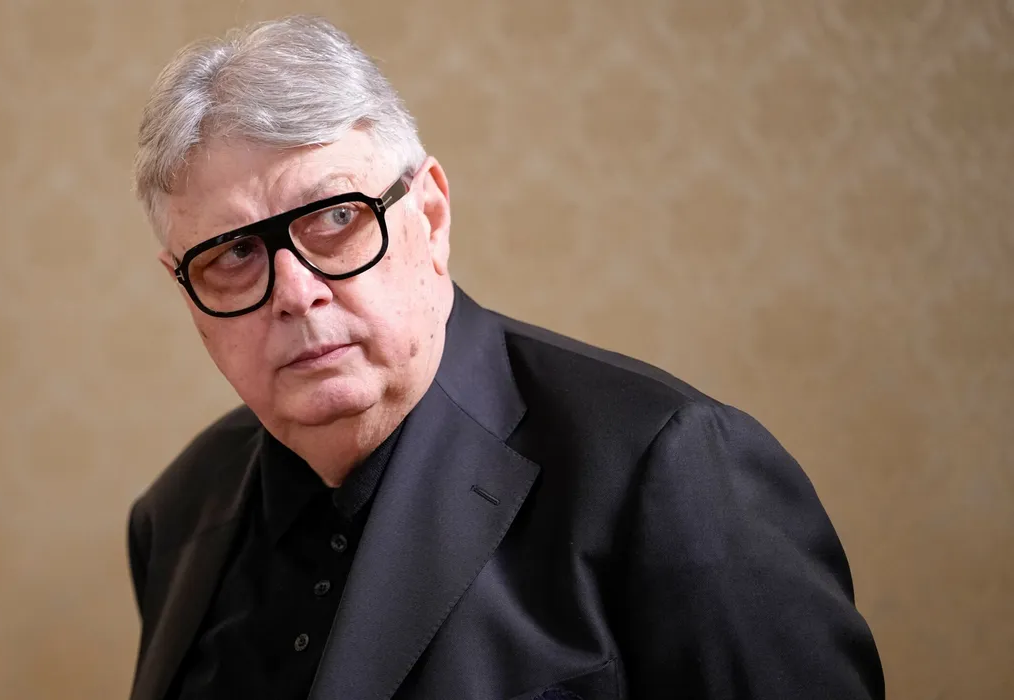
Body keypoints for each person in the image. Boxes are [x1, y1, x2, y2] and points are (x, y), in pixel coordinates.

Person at [124, 15, 884, 700]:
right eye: (233, 254)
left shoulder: (670, 469)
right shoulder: (178, 510)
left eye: (335, 217)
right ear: (185, 289)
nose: (297, 292)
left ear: (430, 216)